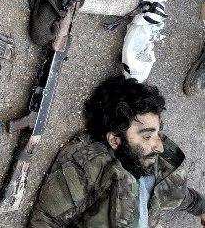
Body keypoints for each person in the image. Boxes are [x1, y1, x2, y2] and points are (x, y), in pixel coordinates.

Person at [29, 77, 205, 227]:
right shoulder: (88, 168)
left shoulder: (147, 159)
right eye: (147, 136)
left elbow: (174, 192)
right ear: (115, 140)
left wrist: (201, 208)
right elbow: (45, 221)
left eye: (158, 133)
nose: (160, 146)